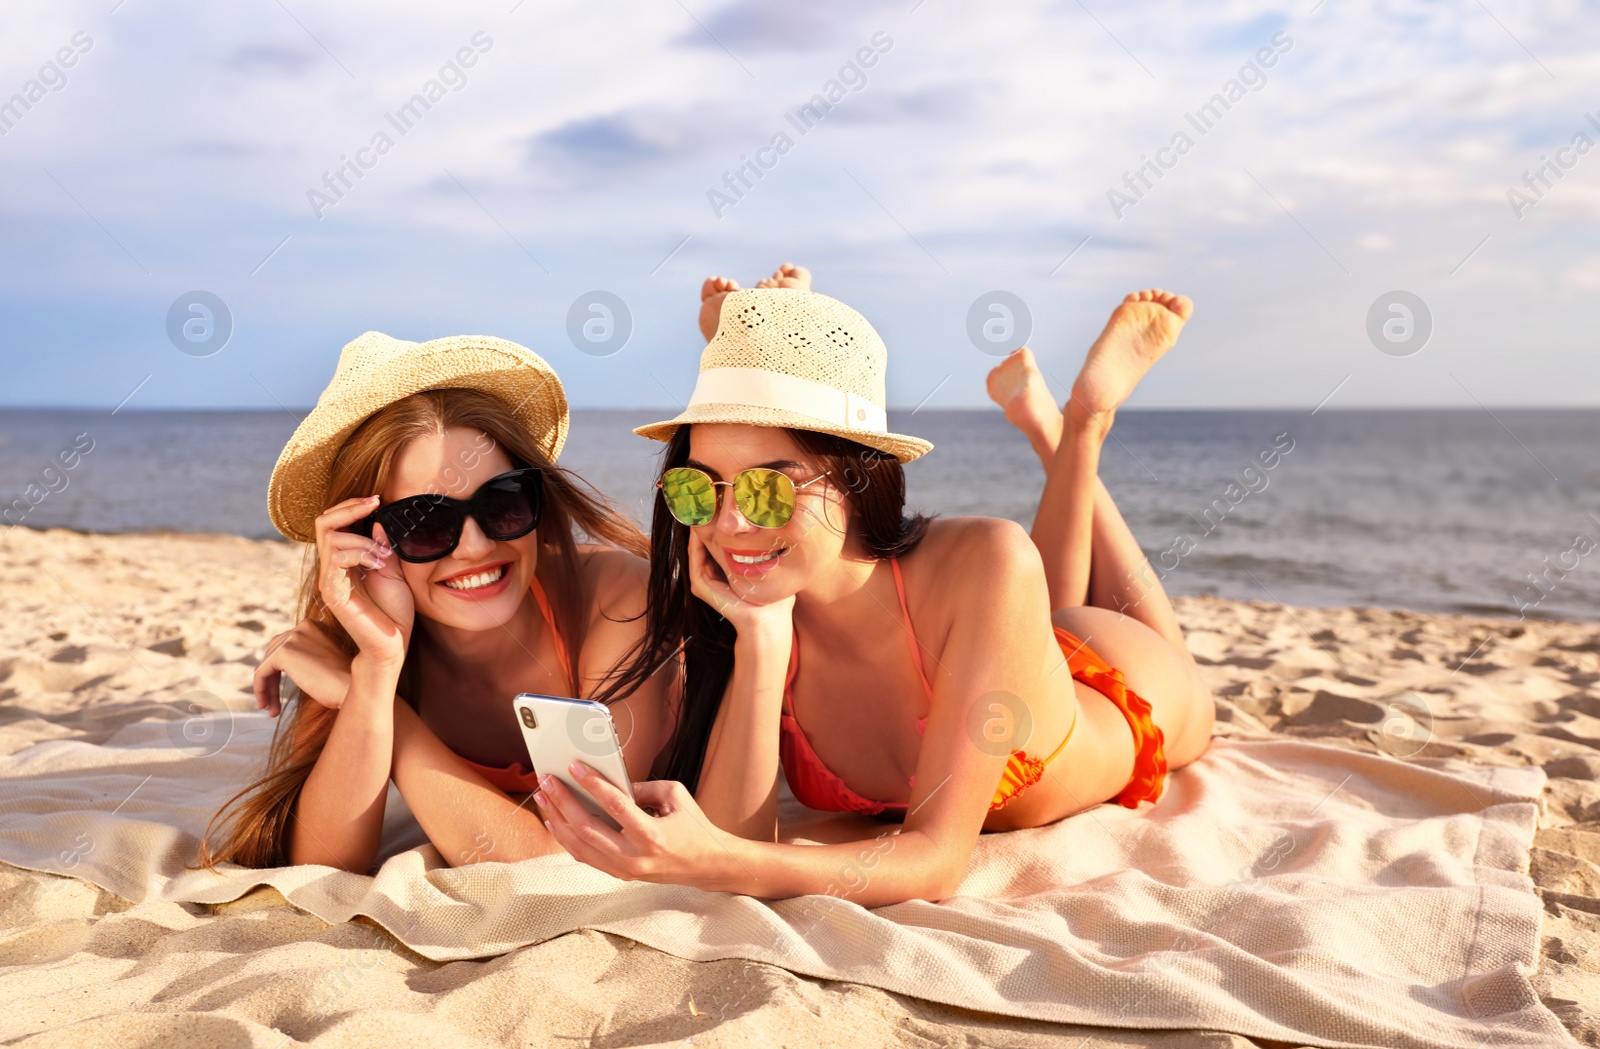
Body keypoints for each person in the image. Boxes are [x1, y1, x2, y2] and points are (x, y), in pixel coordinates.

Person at [539, 267, 1215, 906]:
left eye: (768, 488)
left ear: (857, 478)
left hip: (1126, 686)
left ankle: (1082, 423)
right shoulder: (754, 610)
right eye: (697, 489)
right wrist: (763, 638)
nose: (730, 522)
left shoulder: (989, 558)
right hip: (1011, 659)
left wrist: (712, 861)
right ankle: (783, 337)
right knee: (1050, 608)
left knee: (1107, 635)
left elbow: (937, 859)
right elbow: (737, 840)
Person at [198, 332, 673, 873]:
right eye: (424, 521)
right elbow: (326, 864)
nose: (475, 547)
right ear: (362, 541)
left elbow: (575, 860)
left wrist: (376, 708)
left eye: (504, 502)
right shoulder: (363, 637)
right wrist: (377, 670)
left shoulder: (616, 596)